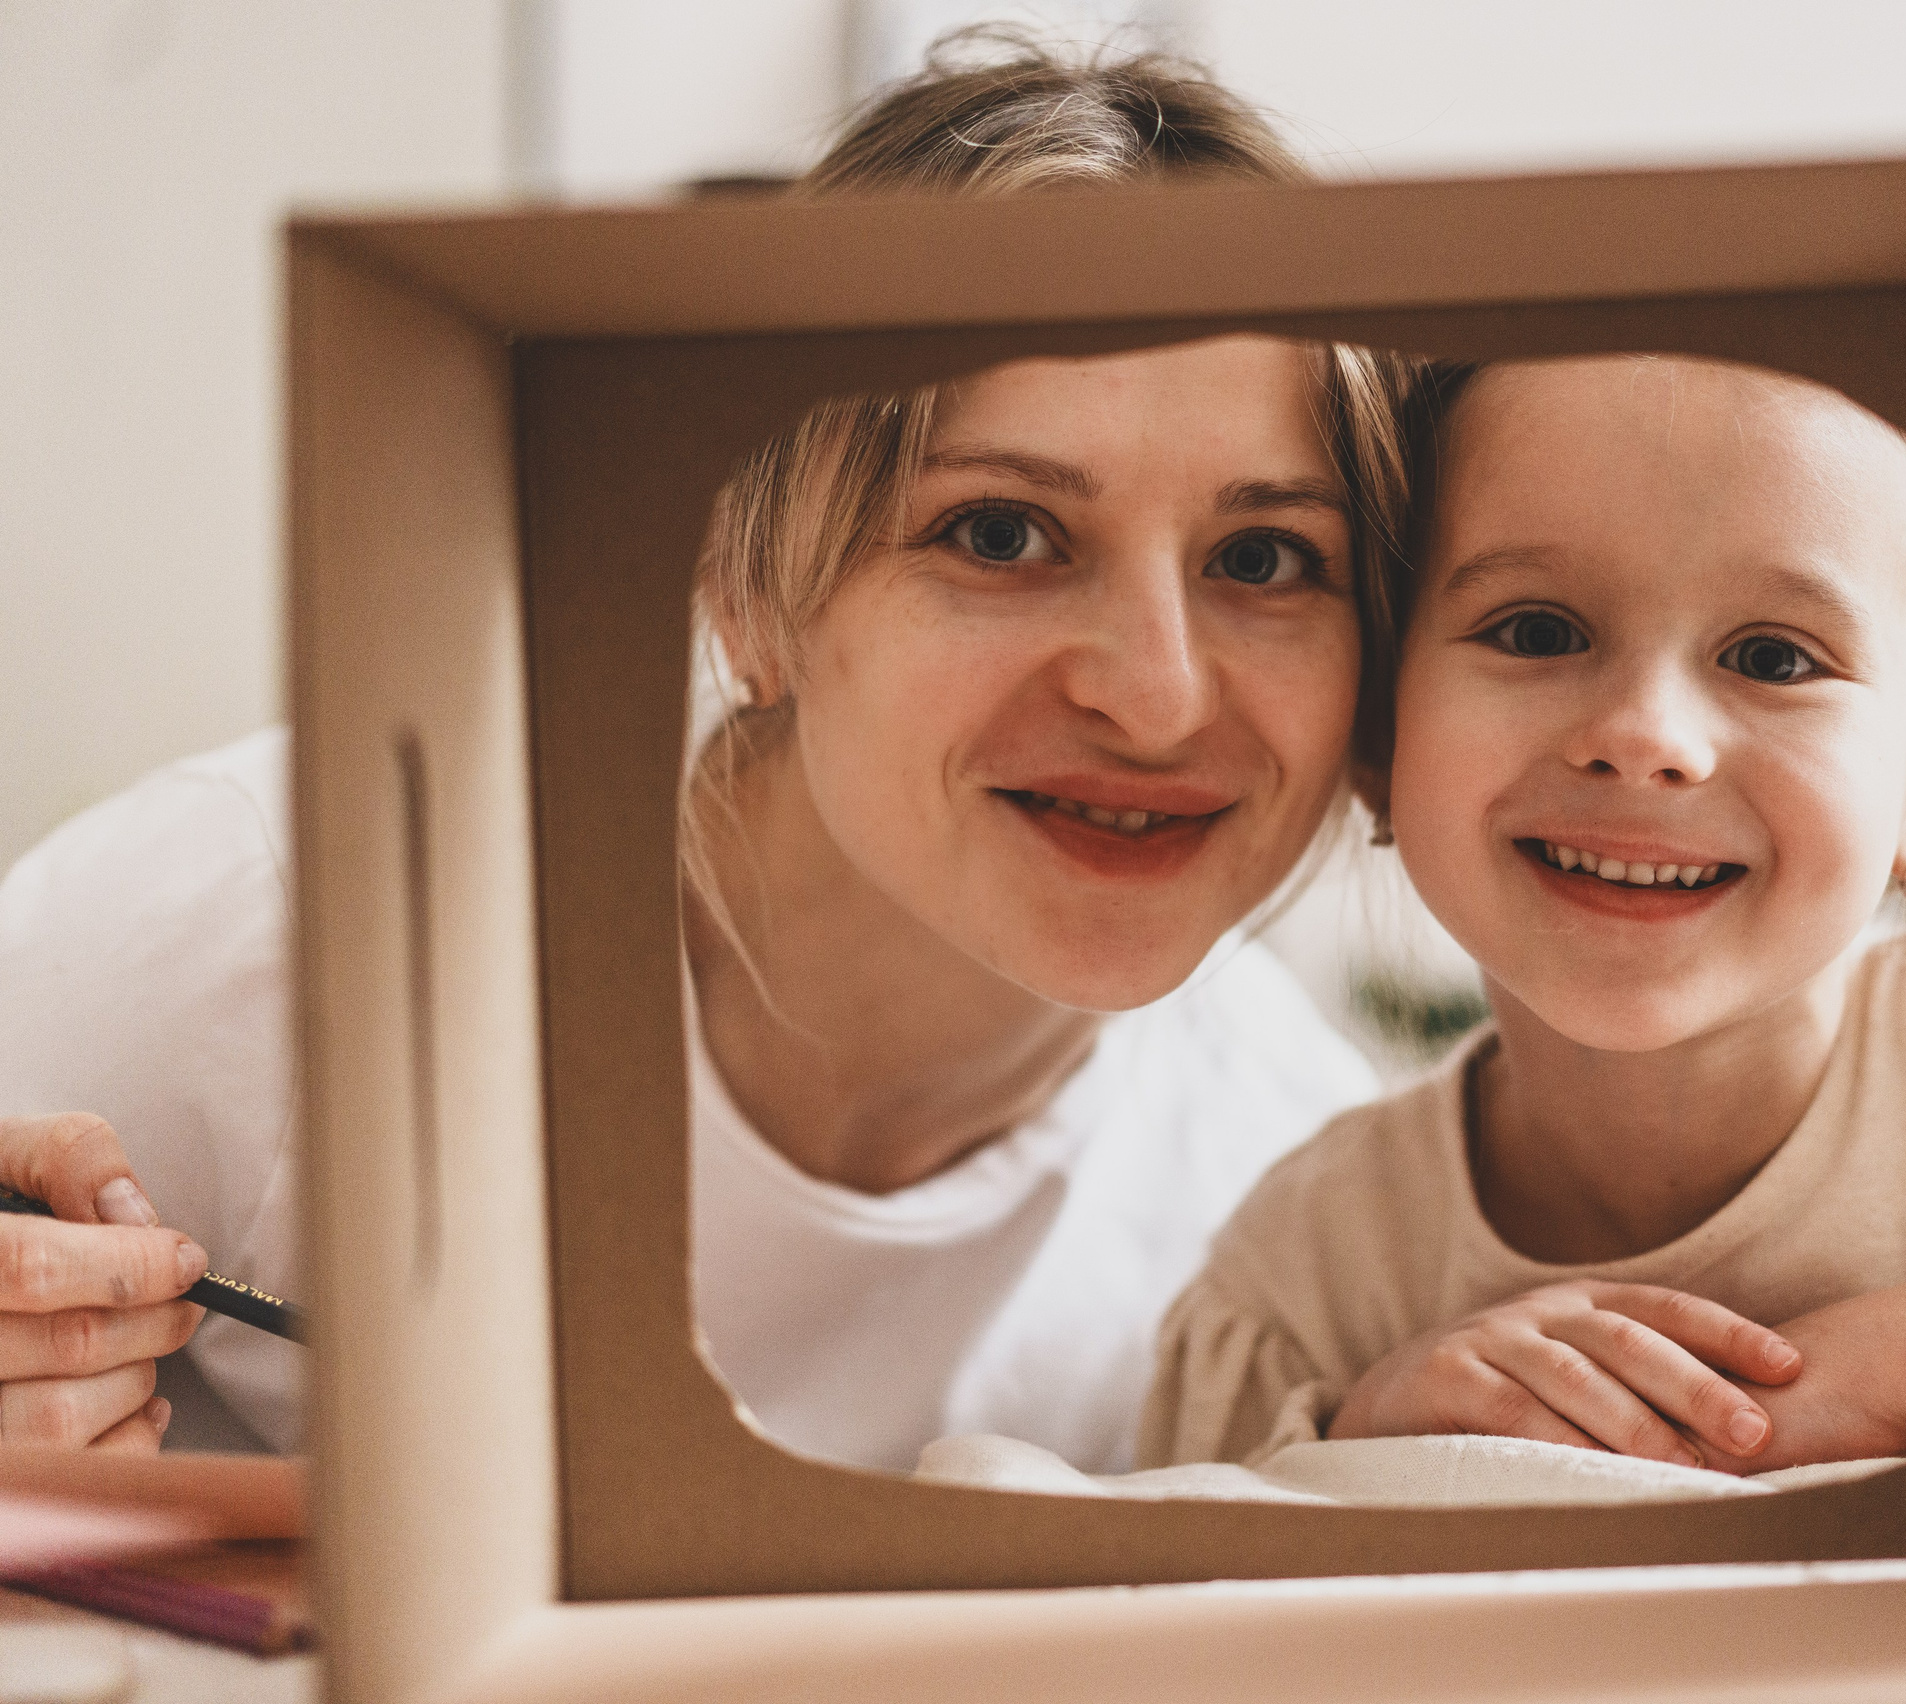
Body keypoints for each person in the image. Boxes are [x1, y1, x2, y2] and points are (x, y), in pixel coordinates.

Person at [0, 32, 1411, 1474]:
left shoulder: (1300, 1196)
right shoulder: (267, 928)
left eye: (1265, 554)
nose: (1161, 696)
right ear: (743, 589)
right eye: (998, 533)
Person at [1140, 355, 1906, 1474]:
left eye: (1772, 658)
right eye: (1537, 632)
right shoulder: (1305, 1278)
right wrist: (1349, 1449)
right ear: (1375, 740)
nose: (1644, 734)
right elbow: (1179, 1589)